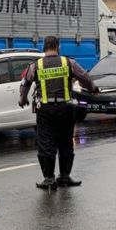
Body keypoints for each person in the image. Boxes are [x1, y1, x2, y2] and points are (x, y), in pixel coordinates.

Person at [19, 36, 99, 190]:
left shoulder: (36, 65)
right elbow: (84, 77)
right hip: (65, 108)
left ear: (44, 47)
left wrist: (22, 99)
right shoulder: (68, 62)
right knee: (66, 143)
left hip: (45, 110)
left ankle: (49, 179)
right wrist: (93, 89)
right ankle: (64, 177)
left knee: (46, 143)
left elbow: (25, 82)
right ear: (58, 46)